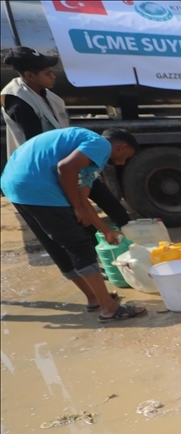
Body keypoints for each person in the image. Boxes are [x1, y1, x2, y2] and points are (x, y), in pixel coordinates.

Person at [0, 127, 143, 321]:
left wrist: (106, 230)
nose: (122, 162)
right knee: (78, 245)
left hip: (16, 187)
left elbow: (83, 200)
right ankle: (109, 308)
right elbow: (65, 168)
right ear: (122, 147)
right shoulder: (100, 145)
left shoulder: (85, 155)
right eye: (125, 156)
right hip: (38, 186)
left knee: (57, 246)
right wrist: (76, 208)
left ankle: (94, 298)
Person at [3, 46, 131, 228]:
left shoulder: (51, 97)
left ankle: (128, 232)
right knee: (77, 215)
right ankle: (97, 243)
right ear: (30, 75)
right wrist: (79, 203)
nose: (53, 76)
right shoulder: (18, 101)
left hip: (70, 160)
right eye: (48, 73)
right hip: (45, 169)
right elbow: (37, 145)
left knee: (110, 204)